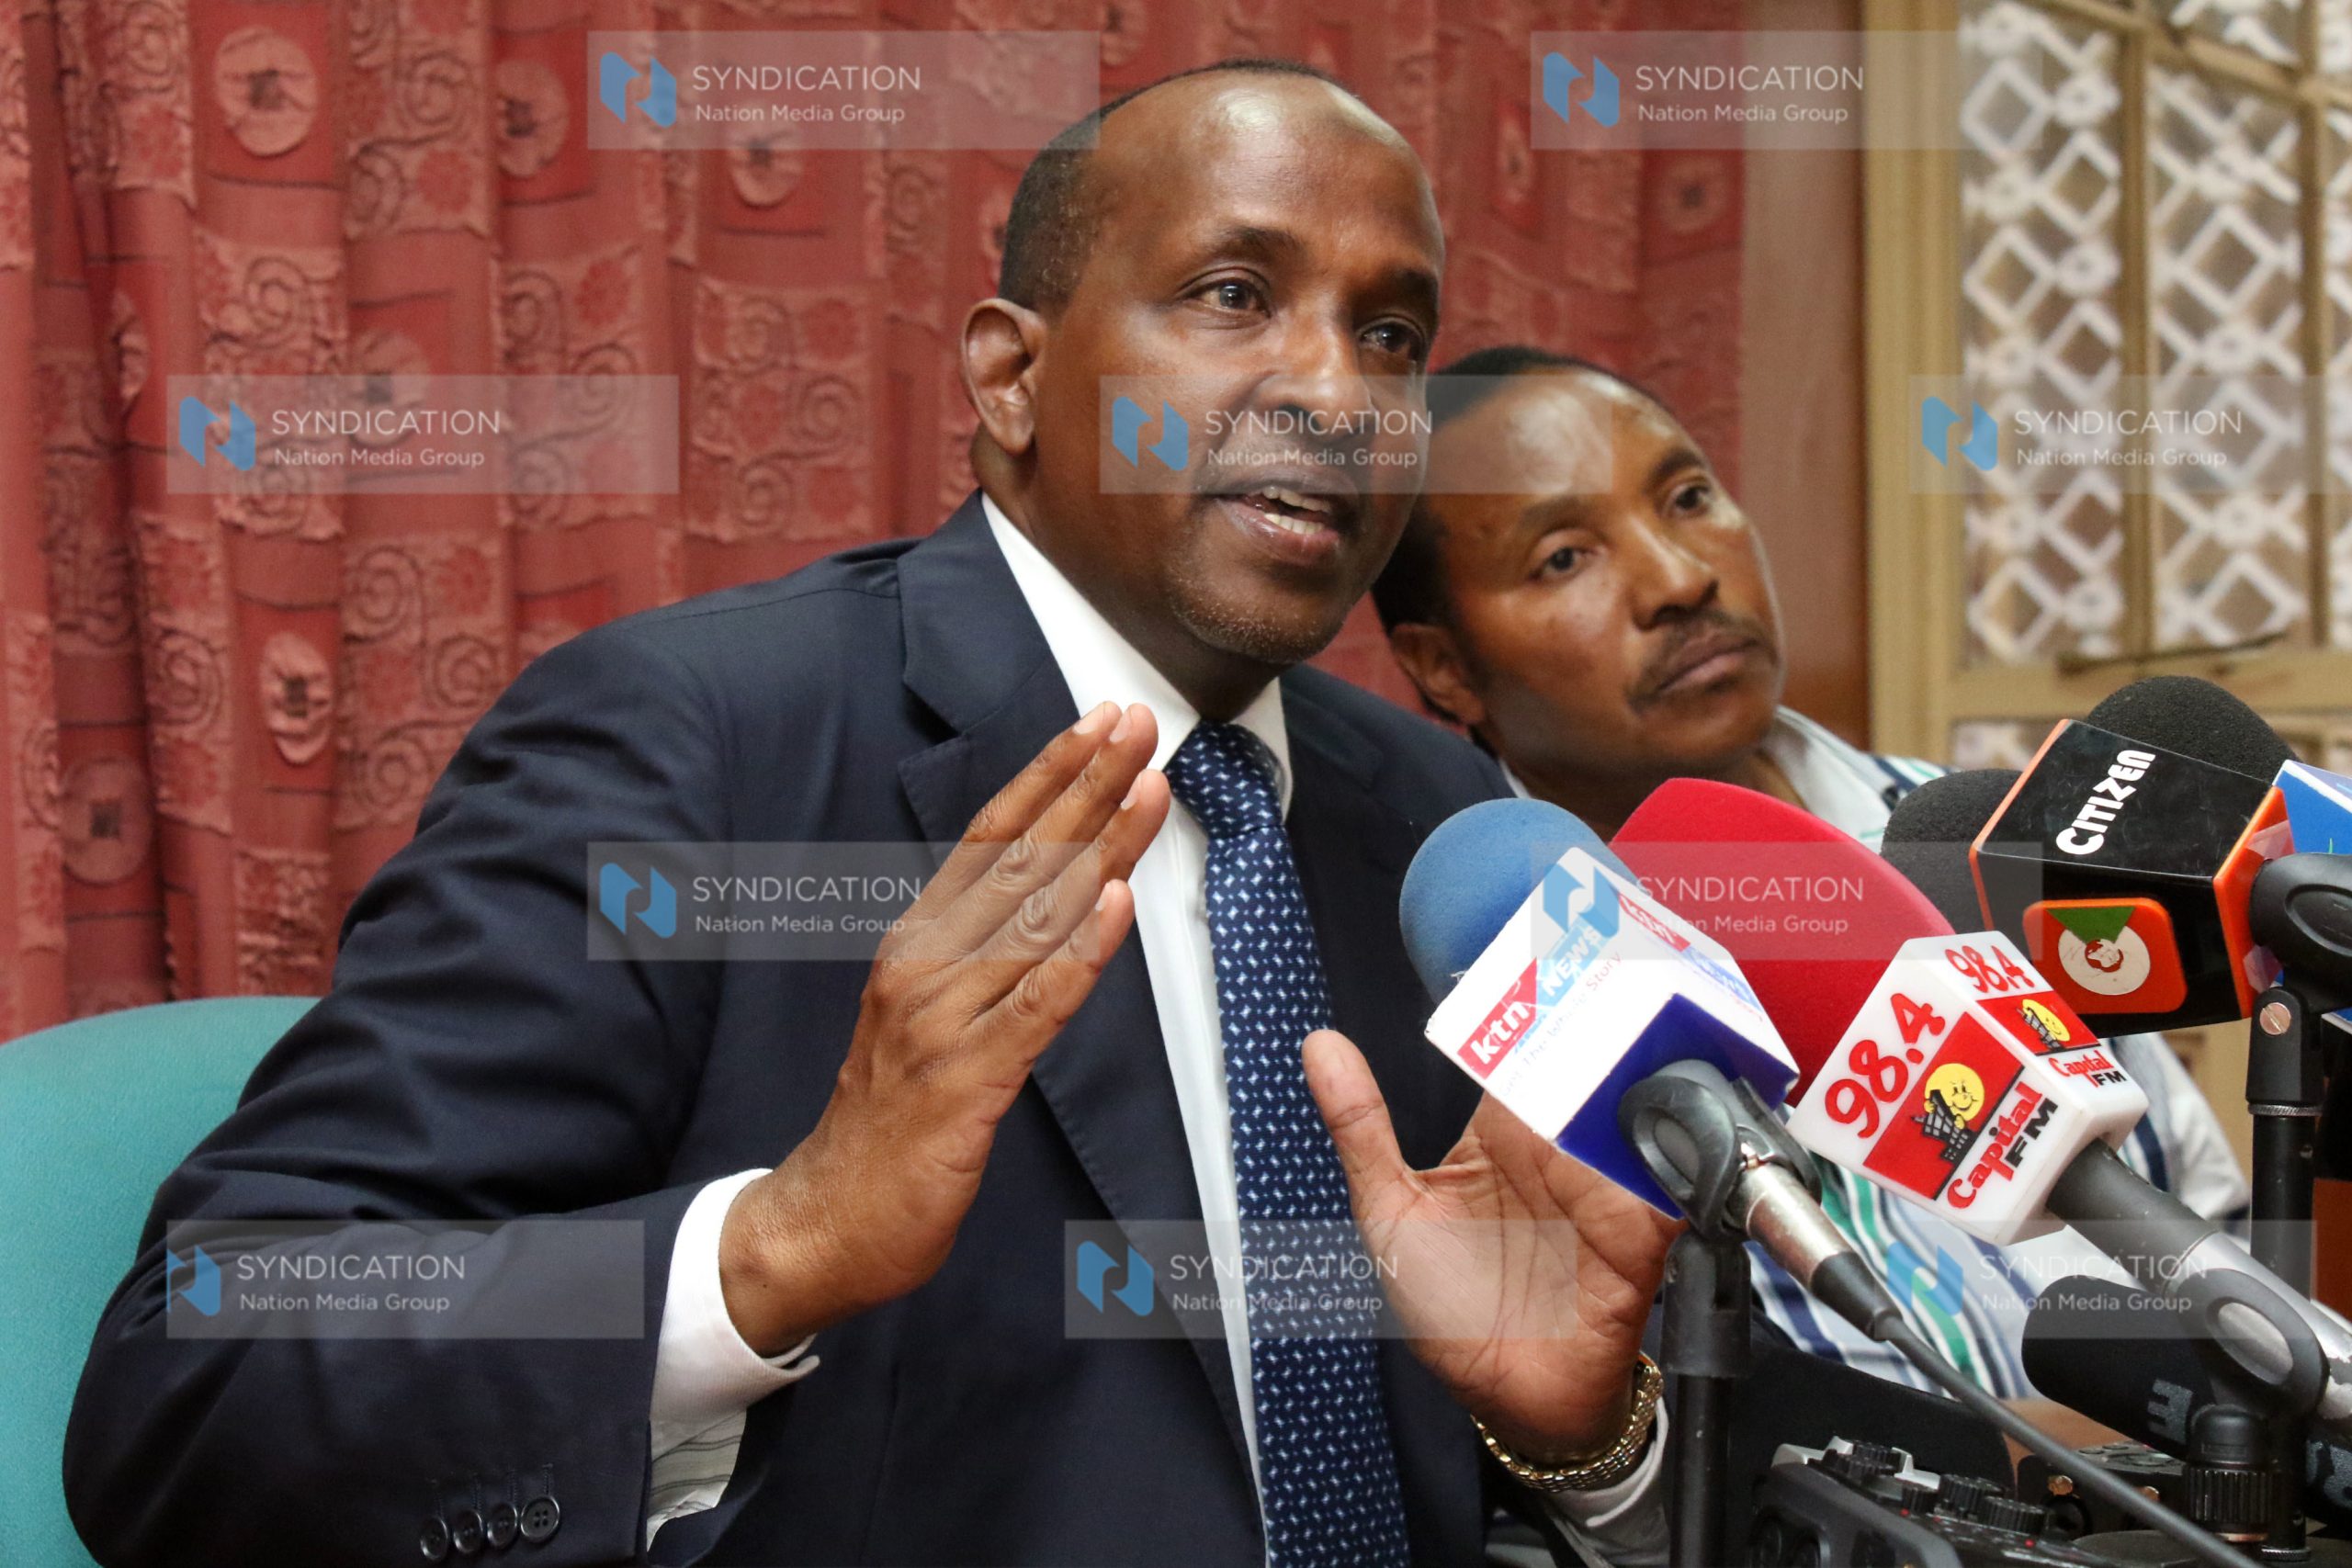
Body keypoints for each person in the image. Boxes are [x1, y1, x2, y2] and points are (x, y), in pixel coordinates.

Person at [67, 67, 1684, 1568]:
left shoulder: (1447, 831)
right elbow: (208, 1356)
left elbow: (1621, 1447)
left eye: (1394, 334)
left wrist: (1583, 1436)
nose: (1337, 393)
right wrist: (770, 1246)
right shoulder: (693, 753)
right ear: (1012, 373)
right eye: (1235, 297)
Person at [1369, 344, 2248, 1404]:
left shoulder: (1977, 830)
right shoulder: (1505, 993)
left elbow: (2211, 1212)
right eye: (1564, 557)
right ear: (1443, 666)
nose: (1679, 577)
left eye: (1688, 497)